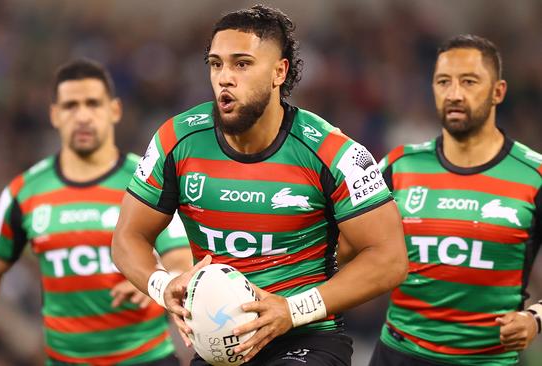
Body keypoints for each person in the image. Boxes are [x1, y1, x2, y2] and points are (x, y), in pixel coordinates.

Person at [113, 5, 407, 366]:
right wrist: (161, 285)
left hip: (306, 339)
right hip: (220, 344)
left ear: (278, 72)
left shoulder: (331, 152)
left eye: (242, 64)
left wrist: (292, 309)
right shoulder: (176, 140)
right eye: (215, 64)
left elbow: (390, 258)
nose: (224, 77)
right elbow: (128, 236)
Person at [0, 59, 192, 366]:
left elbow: (181, 257)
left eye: (93, 104)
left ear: (114, 110)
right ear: (54, 115)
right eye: (71, 106)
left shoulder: (148, 181)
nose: (83, 116)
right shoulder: (25, 191)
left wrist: (157, 279)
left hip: (146, 358)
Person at [368, 34, 542, 366]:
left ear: (498, 92)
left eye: (469, 81)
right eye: (443, 81)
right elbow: (345, 248)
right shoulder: (398, 165)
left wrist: (535, 318)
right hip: (398, 355)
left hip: (487, 360)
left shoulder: (534, 175)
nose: (454, 94)